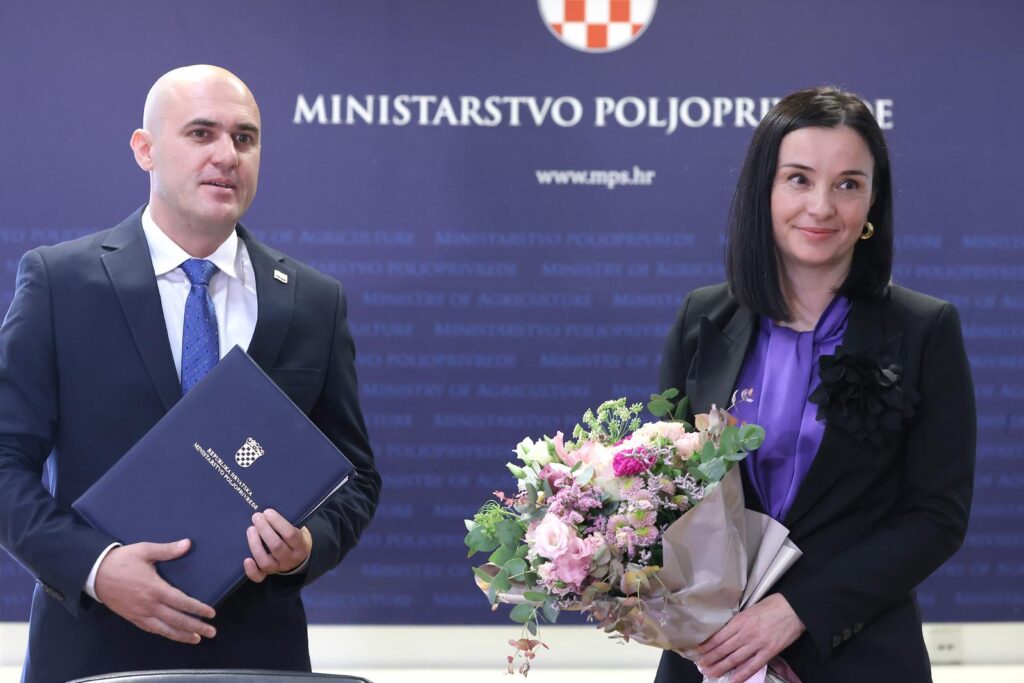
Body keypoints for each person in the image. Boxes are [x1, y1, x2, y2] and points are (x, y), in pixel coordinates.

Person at [0, 65, 381, 683]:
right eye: (202, 133)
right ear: (145, 149)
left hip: (258, 656)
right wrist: (96, 567)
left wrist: (306, 547)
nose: (227, 155)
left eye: (245, 138)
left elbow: (355, 476)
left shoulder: (313, 301)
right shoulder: (60, 283)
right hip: (92, 649)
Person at [654, 87, 975, 683]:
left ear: (873, 201)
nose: (822, 206)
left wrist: (797, 610)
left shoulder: (924, 329)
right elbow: (661, 492)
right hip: (711, 657)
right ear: (764, 191)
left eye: (848, 184)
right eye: (799, 179)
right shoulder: (702, 320)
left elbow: (937, 517)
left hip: (859, 656)